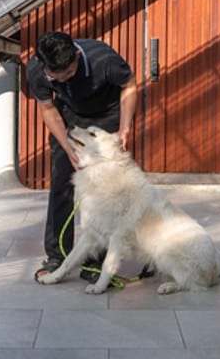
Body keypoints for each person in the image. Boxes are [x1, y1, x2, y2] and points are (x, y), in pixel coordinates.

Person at [25, 29, 137, 281]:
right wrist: (66, 146)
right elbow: (48, 107)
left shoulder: (103, 58)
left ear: (76, 55)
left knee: (107, 191)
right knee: (62, 184)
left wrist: (125, 127)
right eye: (56, 77)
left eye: (68, 74)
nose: (63, 80)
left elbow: (129, 85)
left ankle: (96, 262)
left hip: (107, 117)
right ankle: (57, 256)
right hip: (69, 119)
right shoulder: (35, 70)